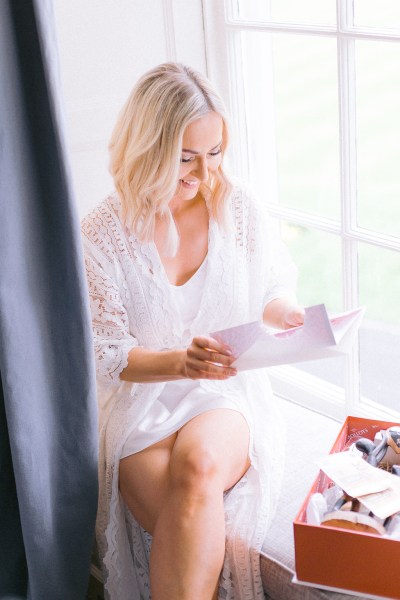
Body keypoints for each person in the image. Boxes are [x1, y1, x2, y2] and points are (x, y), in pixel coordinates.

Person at [81, 62, 304, 600]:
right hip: (141, 400)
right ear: (149, 145)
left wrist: (287, 313)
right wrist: (180, 361)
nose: (204, 173)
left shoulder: (236, 206)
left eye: (215, 153)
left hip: (223, 389)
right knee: (183, 522)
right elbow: (107, 352)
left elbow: (270, 286)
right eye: (185, 157)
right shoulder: (101, 233)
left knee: (199, 466)